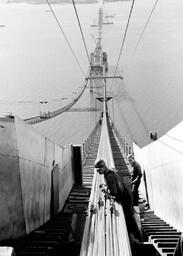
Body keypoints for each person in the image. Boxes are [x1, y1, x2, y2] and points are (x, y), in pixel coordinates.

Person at [94, 159, 143, 244]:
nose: (98, 172)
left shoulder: (109, 177)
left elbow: (114, 193)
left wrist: (105, 190)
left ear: (103, 167)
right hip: (127, 194)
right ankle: (135, 237)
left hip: (125, 197)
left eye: (99, 170)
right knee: (130, 217)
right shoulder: (109, 172)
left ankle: (137, 239)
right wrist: (106, 186)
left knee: (129, 219)